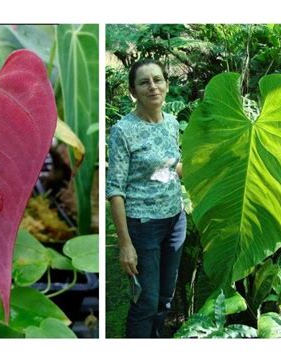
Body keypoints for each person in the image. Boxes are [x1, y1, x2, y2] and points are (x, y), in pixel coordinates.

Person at [106, 59, 186, 338]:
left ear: (166, 84)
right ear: (134, 91)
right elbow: (115, 189)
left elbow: (170, 166)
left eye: (158, 80)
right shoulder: (123, 131)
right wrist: (125, 244)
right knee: (146, 301)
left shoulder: (172, 124)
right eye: (144, 82)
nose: (152, 86)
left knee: (166, 296)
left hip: (175, 220)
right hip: (143, 225)